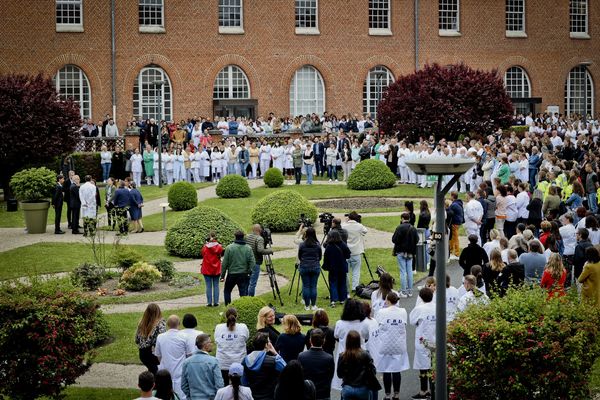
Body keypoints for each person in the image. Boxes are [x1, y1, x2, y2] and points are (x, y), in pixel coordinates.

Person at [372, 292, 409, 400]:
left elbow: (377, 324)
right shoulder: (403, 311)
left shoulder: (381, 312)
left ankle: (387, 394)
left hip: (385, 344)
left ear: (388, 300)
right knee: (397, 369)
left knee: (386, 369)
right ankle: (396, 394)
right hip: (399, 344)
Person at [332, 299, 370, 391]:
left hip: (344, 356)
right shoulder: (364, 323)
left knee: (344, 384)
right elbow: (366, 337)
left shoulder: (339, 324)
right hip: (360, 355)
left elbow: (336, 336)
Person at [409, 287, 436, 400]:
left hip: (422, 341)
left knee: (423, 368)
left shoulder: (419, 308)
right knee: (433, 367)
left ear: (420, 297)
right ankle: (433, 391)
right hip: (435, 340)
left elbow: (412, 321)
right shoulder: (437, 306)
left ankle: (424, 391)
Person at [336, 330, 379, 400]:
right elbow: (373, 371)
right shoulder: (365, 354)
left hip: (348, 389)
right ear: (359, 341)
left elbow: (339, 375)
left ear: (347, 342)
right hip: (362, 389)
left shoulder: (342, 356)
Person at [242, 332, 286, 400]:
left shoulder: (245, 360)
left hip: (252, 396)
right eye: (269, 342)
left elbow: (244, 382)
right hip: (269, 396)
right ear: (266, 345)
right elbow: (285, 369)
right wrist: (275, 353)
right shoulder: (273, 360)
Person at [181, 334, 224, 400]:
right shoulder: (213, 361)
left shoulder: (187, 362)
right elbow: (219, 384)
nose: (212, 344)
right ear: (205, 345)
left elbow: (184, 385)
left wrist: (190, 396)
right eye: (210, 342)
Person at [154, 315, 188, 399]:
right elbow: (188, 355)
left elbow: (158, 356)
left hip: (165, 372)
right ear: (179, 324)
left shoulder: (160, 337)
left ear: (167, 324)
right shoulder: (184, 337)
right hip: (179, 373)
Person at [215, 308, 250, 385]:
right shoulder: (243, 327)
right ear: (237, 317)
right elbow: (246, 338)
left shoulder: (218, 328)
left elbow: (216, 341)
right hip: (239, 365)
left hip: (222, 365)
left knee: (224, 390)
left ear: (225, 317)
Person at [220, 230, 255, 305]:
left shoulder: (229, 248)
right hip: (243, 274)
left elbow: (224, 264)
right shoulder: (248, 248)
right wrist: (248, 271)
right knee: (243, 294)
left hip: (232, 274)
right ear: (243, 237)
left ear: (235, 237)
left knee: (227, 291)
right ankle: (243, 308)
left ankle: (228, 308)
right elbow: (252, 262)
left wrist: (222, 276)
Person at [298, 329, 335, 400]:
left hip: (306, 392)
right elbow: (330, 375)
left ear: (310, 340)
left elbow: (299, 375)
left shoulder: (301, 356)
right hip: (323, 394)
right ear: (324, 341)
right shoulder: (329, 358)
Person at [392, 212, 419, 298]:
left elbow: (394, 239)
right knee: (410, 271)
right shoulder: (413, 228)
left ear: (402, 219)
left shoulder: (399, 228)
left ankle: (403, 291)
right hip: (410, 252)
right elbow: (417, 240)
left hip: (401, 252)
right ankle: (410, 291)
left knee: (403, 272)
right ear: (409, 219)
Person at [136, 303, 167, 374]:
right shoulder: (160, 323)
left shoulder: (141, 322)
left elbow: (137, 340)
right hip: (154, 353)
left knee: (152, 370)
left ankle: (149, 382)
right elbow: (162, 339)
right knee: (157, 373)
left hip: (142, 353)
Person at [322, 230, 351, 306]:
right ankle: (342, 299)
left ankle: (333, 300)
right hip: (342, 267)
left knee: (333, 283)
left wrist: (326, 266)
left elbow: (326, 258)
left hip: (333, 268)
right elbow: (348, 255)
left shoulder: (329, 246)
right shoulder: (343, 245)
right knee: (342, 283)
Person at [342, 212, 368, 293]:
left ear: (349, 217)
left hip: (346, 252)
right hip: (356, 252)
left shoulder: (344, 225)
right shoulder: (359, 226)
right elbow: (365, 231)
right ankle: (355, 287)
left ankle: (346, 286)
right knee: (356, 271)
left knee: (346, 271)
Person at [298, 227, 323, 310]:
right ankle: (313, 305)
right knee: (313, 286)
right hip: (315, 266)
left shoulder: (302, 244)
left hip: (304, 266)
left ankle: (307, 305)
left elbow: (300, 255)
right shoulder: (317, 244)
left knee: (306, 286)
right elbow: (320, 256)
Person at [245, 225, 274, 297]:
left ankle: (245, 297)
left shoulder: (247, 237)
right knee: (253, 283)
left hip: (247, 262)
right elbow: (260, 250)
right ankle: (251, 299)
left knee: (247, 282)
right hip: (255, 262)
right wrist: (270, 250)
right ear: (260, 230)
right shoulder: (259, 238)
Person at [202, 232, 224, 307]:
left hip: (207, 268)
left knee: (208, 286)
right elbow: (220, 253)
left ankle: (209, 302)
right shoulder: (219, 246)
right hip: (216, 268)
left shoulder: (205, 247)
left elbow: (202, 254)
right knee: (216, 285)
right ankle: (216, 302)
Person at [448, 191, 465, 258]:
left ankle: (457, 253)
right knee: (452, 237)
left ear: (452, 196)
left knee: (455, 238)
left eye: (450, 196)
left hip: (455, 223)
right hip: (458, 222)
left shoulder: (454, 205)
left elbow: (448, 211)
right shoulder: (458, 203)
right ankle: (451, 250)